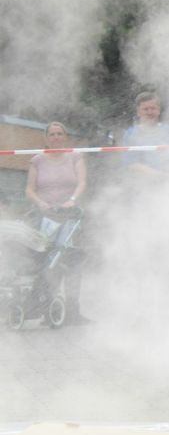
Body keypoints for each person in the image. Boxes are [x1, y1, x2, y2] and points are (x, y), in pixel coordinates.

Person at [24, 121, 88, 322]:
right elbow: (29, 189)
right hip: (45, 216)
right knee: (47, 261)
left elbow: (82, 182)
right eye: (52, 134)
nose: (56, 137)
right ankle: (44, 305)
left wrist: (72, 200)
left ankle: (72, 311)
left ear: (65, 136)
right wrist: (41, 204)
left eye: (60, 133)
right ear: (46, 139)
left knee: (71, 261)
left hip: (70, 216)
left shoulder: (75, 157)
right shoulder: (37, 160)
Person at [121, 91, 169, 177]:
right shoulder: (131, 134)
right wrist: (162, 176)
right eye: (145, 109)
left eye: (153, 108)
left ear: (159, 110)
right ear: (138, 112)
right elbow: (132, 164)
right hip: (142, 184)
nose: (150, 112)